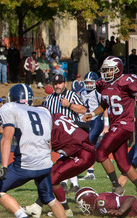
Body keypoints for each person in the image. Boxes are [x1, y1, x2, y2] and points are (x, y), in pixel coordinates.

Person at [0, 84, 78, 218]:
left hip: (25, 163)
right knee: (49, 198)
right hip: (45, 162)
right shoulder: (43, 111)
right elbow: (48, 142)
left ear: (13, 98)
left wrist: (3, 166)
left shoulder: (10, 108)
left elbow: (7, 138)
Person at [23, 113, 96, 218]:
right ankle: (39, 207)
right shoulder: (57, 116)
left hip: (83, 155)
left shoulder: (49, 129)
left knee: (51, 179)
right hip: (78, 152)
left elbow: (45, 149)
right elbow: (82, 126)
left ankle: (64, 210)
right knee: (49, 177)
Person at [84, 56, 137, 195]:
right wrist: (92, 114)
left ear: (118, 70)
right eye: (105, 70)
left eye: (109, 70)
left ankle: (116, 186)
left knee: (100, 153)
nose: (106, 73)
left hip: (123, 125)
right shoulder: (104, 85)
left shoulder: (127, 81)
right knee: (123, 164)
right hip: (116, 125)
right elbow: (104, 105)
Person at [42, 73, 86, 192]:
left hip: (71, 132)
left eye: (60, 83)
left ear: (65, 84)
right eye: (55, 84)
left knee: (68, 156)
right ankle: (68, 183)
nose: (57, 86)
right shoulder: (49, 98)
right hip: (56, 133)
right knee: (64, 157)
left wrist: (69, 105)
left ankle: (68, 183)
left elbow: (83, 109)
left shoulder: (72, 95)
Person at [79, 72, 107, 180]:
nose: (89, 84)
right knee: (90, 145)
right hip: (86, 121)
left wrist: (106, 124)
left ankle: (90, 172)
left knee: (89, 144)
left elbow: (105, 107)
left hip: (96, 120)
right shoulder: (82, 92)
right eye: (87, 82)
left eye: (91, 82)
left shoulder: (98, 92)